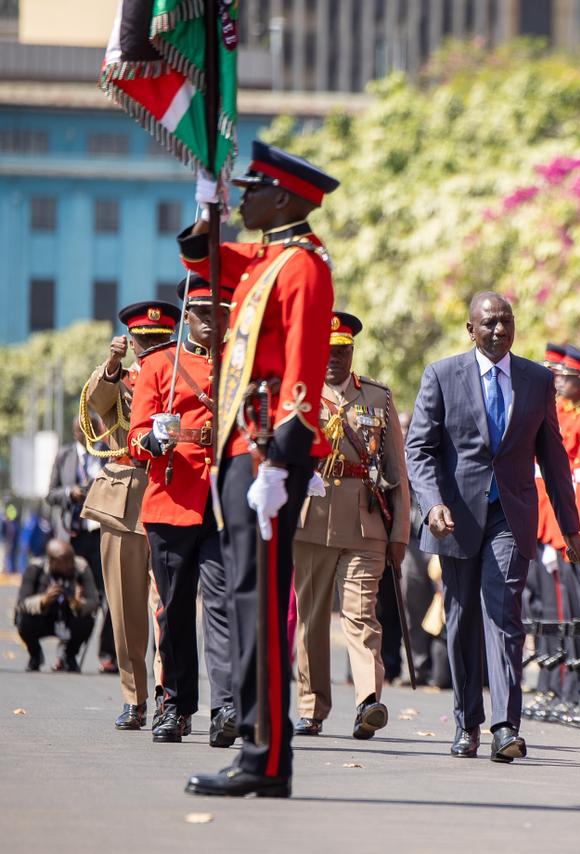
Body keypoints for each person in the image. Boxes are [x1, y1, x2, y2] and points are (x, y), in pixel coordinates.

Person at [180, 141, 338, 797]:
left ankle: (266, 758)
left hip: (266, 452)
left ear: (288, 199)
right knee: (248, 599)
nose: (243, 199)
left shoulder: (302, 266)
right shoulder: (267, 261)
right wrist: (206, 201)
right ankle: (257, 747)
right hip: (243, 450)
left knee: (263, 606)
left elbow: (301, 365)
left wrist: (281, 456)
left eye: (251, 190)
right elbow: (200, 258)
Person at [405, 291, 580, 763]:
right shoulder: (442, 376)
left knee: (504, 614)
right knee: (462, 618)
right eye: (488, 323)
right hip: (456, 520)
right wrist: (432, 505)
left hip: (510, 514)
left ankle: (506, 726)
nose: (499, 330)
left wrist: (571, 527)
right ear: (471, 329)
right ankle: (467, 723)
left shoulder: (536, 379)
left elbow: (554, 458)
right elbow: (419, 449)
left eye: (506, 321)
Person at [293, 311, 410, 740]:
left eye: (340, 351)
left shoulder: (376, 398)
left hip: (366, 522)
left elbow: (397, 469)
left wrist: (400, 533)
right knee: (312, 618)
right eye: (326, 351)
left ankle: (367, 701)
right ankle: (312, 706)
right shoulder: (299, 396)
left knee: (361, 616)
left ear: (351, 352)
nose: (333, 360)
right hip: (311, 520)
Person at [128, 277, 234, 745]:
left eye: (221, 312)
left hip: (225, 502)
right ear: (187, 315)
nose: (213, 322)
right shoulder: (158, 365)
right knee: (172, 611)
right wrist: (153, 440)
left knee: (222, 607)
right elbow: (136, 439)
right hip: (171, 499)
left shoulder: (241, 366)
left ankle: (226, 706)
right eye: (204, 313)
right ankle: (175, 705)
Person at [82, 300, 178, 730]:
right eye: (143, 341)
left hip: (170, 492)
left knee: (168, 606)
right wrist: (111, 365)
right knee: (125, 609)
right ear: (131, 343)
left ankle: (167, 694)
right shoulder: (121, 377)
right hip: (124, 499)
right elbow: (93, 406)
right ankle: (133, 697)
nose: (150, 348)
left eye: (159, 341)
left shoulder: (182, 377)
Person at [45, 419, 114, 673]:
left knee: (109, 597)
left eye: (91, 430)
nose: (86, 435)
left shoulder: (107, 455)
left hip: (100, 535)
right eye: (81, 430)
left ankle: (109, 654)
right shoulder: (64, 456)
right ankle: (67, 654)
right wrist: (69, 493)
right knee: (70, 596)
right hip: (72, 539)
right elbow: (50, 494)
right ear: (75, 432)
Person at [14, 540, 100, 672]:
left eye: (71, 559)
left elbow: (94, 602)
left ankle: (69, 656)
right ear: (52, 561)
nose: (69, 564)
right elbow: (21, 603)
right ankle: (35, 655)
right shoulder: (35, 568)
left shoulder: (81, 567)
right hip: (43, 618)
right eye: (64, 561)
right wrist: (43, 601)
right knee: (22, 619)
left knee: (87, 620)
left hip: (68, 618)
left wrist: (78, 604)